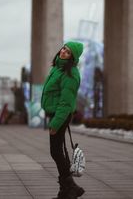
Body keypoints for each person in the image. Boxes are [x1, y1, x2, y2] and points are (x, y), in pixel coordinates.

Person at [41, 41, 85, 199]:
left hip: (61, 115)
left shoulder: (70, 74)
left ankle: (71, 187)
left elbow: (66, 102)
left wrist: (55, 123)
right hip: (56, 114)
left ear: (73, 57)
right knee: (59, 151)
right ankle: (66, 191)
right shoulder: (58, 68)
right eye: (64, 48)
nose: (64, 52)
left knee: (56, 151)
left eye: (68, 52)